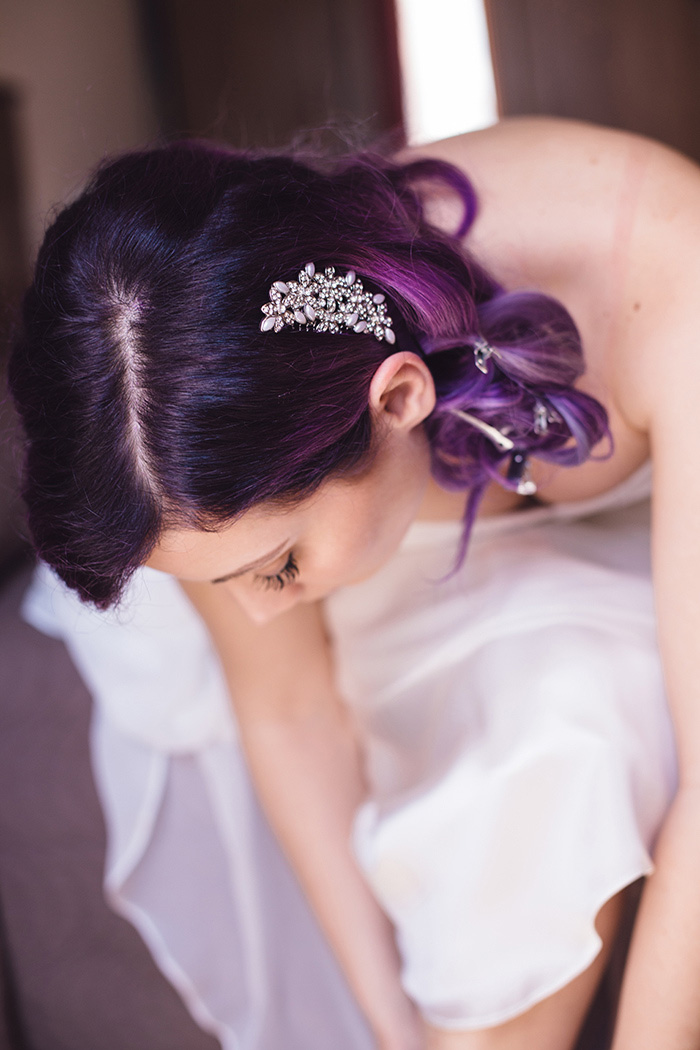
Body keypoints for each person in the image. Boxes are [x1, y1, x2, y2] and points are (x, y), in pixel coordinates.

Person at [8, 115, 699, 1050]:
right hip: (395, 546)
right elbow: (288, 707)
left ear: (402, 397)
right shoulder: (195, 444)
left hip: (637, 527)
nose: (253, 611)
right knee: (505, 803)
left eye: (276, 570)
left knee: (564, 720)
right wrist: (391, 1030)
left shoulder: (664, 269)